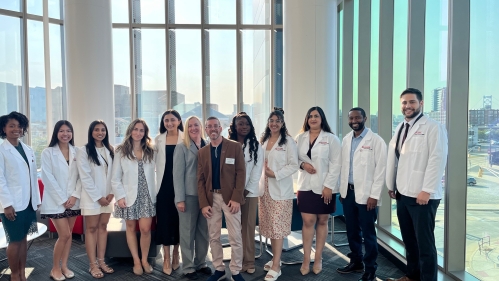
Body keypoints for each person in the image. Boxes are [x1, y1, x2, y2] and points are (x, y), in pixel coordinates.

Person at [385, 88, 448, 281]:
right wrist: (391, 184)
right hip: (403, 193)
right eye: (404, 102)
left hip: (422, 195)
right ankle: (412, 276)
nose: (407, 106)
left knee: (425, 244)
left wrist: (427, 190)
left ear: (421, 104)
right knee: (409, 240)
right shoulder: (401, 127)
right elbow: (397, 159)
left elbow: (437, 159)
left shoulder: (433, 127)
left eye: (412, 102)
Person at [336, 108, 387, 281]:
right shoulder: (346, 140)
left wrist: (374, 195)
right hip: (348, 194)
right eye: (351, 118)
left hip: (367, 196)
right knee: (351, 231)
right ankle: (356, 262)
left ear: (365, 118)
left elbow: (381, 170)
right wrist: (342, 191)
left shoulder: (376, 141)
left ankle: (371, 270)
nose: (354, 120)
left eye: (357, 117)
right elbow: (344, 168)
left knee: (368, 233)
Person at [197, 116, 246, 281]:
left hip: (231, 198)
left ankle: (236, 271)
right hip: (211, 199)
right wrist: (203, 204)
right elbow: (200, 180)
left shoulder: (234, 147)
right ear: (206, 130)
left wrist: (237, 198)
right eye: (209, 127)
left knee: (235, 237)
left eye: (216, 126)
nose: (213, 129)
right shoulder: (202, 152)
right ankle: (218, 269)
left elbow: (241, 173)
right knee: (214, 236)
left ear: (221, 128)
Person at [295, 106, 341, 276]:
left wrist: (329, 186)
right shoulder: (299, 138)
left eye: (316, 116)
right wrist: (303, 165)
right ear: (307, 120)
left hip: (325, 187)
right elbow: (294, 159)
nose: (313, 119)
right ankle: (306, 259)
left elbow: (337, 164)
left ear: (322, 119)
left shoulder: (331, 139)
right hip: (305, 186)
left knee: (322, 221)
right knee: (307, 222)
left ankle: (319, 257)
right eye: (310, 116)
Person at [0, 111, 41, 281]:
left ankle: (23, 272)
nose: (16, 129)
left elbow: (33, 178)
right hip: (12, 205)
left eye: (19, 126)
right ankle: (14, 275)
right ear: (4, 128)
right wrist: (7, 204)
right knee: (14, 241)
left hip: (29, 203)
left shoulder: (28, 149)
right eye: (12, 126)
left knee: (24, 239)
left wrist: (37, 200)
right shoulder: (1, 150)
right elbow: (0, 179)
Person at [111, 119, 156, 275]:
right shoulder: (120, 151)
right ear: (130, 130)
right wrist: (120, 196)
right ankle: (136, 261)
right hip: (128, 195)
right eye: (136, 129)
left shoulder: (151, 150)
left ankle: (145, 259)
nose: (138, 133)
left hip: (147, 195)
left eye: (141, 130)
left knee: (145, 229)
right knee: (130, 228)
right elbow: (115, 177)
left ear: (145, 133)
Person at [258, 108, 298, 281]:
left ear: (282, 124)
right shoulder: (264, 140)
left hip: (280, 190)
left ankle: (276, 265)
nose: (274, 123)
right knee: (269, 227)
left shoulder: (288, 141)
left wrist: (275, 174)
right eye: (271, 120)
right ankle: (276, 259)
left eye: (277, 121)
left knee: (278, 228)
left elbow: (294, 165)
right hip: (264, 190)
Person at [41, 120, 81, 280]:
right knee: (64, 235)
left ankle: (64, 266)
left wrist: (74, 196)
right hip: (56, 201)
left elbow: (82, 177)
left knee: (69, 235)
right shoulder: (48, 152)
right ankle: (55, 268)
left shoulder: (77, 151)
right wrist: (63, 199)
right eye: (62, 131)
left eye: (68, 131)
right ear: (56, 133)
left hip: (73, 200)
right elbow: (47, 178)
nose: (65, 134)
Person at [173, 116, 211, 280]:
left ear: (201, 127)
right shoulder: (182, 147)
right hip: (188, 196)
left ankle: (200, 263)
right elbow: (177, 175)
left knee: (204, 232)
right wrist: (179, 199)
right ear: (186, 129)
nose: (194, 128)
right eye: (190, 126)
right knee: (187, 232)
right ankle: (188, 267)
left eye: (196, 125)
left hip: (206, 197)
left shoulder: (209, 146)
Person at [76, 120, 115, 279]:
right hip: (92, 198)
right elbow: (85, 177)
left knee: (103, 228)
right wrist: (98, 197)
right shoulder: (83, 151)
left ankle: (102, 261)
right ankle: (93, 264)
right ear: (91, 132)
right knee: (91, 229)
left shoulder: (111, 150)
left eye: (103, 130)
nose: (100, 132)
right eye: (97, 130)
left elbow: (115, 174)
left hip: (108, 197)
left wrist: (111, 193)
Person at [228, 112, 264, 275]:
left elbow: (256, 172)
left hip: (249, 194)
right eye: (240, 124)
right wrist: (235, 192)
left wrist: (245, 191)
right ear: (234, 127)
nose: (244, 127)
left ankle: (249, 261)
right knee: (235, 229)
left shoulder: (257, 146)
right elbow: (225, 171)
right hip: (230, 194)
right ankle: (236, 260)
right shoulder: (227, 145)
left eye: (247, 124)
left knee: (248, 228)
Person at [154, 109, 183, 275]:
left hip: (180, 187)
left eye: (173, 120)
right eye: (166, 120)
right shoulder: (158, 140)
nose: (169, 123)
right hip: (163, 186)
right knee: (164, 221)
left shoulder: (185, 139)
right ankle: (165, 257)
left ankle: (175, 253)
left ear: (179, 121)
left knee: (179, 220)